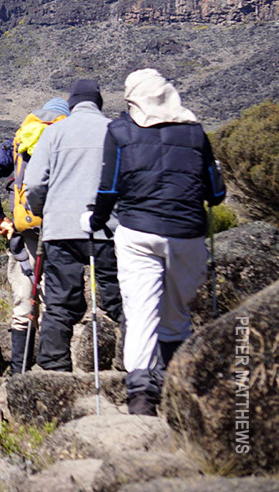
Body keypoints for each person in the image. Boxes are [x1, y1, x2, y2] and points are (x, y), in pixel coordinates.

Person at [88, 69, 225, 415]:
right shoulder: (195, 133)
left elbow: (108, 189)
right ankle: (175, 393)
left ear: (133, 98)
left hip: (138, 233)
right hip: (187, 235)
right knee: (177, 316)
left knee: (140, 313)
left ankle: (141, 399)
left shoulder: (119, 131)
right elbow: (217, 193)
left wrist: (95, 220)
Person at [23, 80, 124, 372]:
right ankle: (133, 367)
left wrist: (46, 213)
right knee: (119, 299)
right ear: (99, 103)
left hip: (60, 231)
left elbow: (34, 183)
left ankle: (54, 369)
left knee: (59, 303)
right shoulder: (115, 131)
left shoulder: (54, 132)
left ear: (71, 104)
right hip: (108, 230)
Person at [0, 97, 70, 373]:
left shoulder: (21, 139)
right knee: (55, 299)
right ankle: (55, 369)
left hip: (25, 230)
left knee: (24, 301)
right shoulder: (68, 137)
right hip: (62, 231)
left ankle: (19, 374)